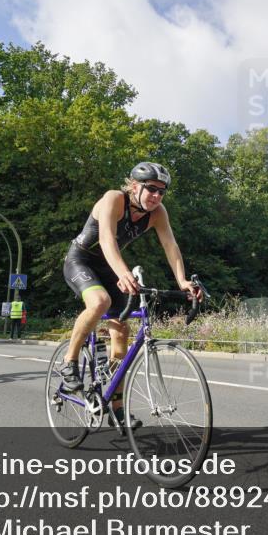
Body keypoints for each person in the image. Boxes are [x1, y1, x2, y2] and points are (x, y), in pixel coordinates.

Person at [61, 162, 203, 429]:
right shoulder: (113, 198)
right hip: (80, 260)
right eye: (152, 189)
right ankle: (69, 362)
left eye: (162, 192)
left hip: (108, 266)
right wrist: (123, 272)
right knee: (100, 302)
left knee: (121, 332)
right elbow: (106, 240)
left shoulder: (158, 213)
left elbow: (171, 246)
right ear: (135, 186)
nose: (157, 196)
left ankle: (116, 409)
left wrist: (182, 281)